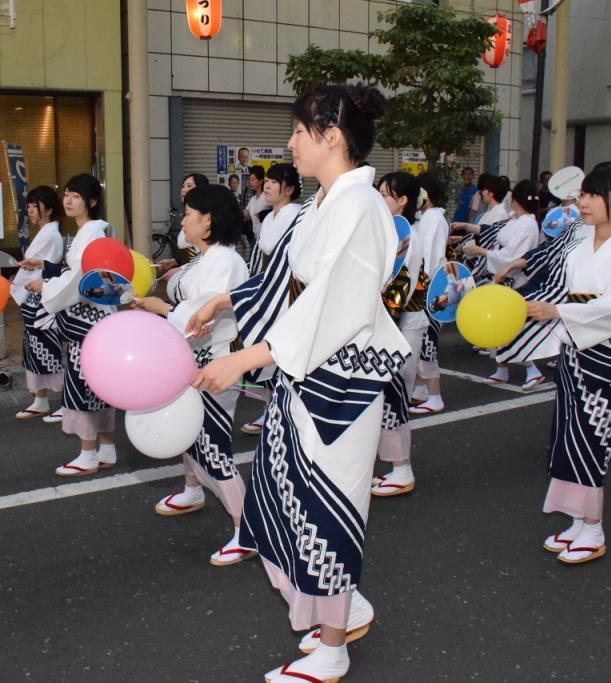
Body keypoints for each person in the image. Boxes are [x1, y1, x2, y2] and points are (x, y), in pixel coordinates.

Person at [187, 83, 408, 683]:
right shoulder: (323, 204)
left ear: (330, 137)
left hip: (337, 384)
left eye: (297, 131)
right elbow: (286, 280)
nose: (288, 143)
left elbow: (332, 308)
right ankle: (336, 614)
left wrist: (244, 357)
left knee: (327, 513)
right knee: (283, 505)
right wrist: (225, 299)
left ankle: (333, 645)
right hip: (304, 376)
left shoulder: (358, 207)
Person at [523, 161, 611, 564]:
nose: (585, 201)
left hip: (609, 359)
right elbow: (564, 295)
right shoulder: (580, 248)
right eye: (584, 194)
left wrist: (560, 313)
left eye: (595, 195)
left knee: (593, 439)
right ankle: (578, 520)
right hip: (577, 352)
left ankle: (593, 527)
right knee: (567, 437)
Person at [133, 184, 253, 565]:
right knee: (191, 433)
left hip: (216, 361)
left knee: (212, 444)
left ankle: (247, 528)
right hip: (195, 358)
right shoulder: (206, 257)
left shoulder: (224, 261)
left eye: (188, 213)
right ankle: (193, 490)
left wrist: (162, 309)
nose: (182, 219)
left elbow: (203, 318)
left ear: (208, 219)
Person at [37, 174, 118, 476]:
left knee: (82, 383)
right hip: (100, 316)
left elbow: (79, 279)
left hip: (88, 319)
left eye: (76, 196)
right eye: (66, 194)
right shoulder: (97, 231)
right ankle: (106, 447)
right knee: (101, 386)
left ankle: (87, 453)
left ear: (92, 201)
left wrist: (46, 286)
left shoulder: (92, 234)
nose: (68, 200)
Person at [240, 164, 304, 436]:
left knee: (281, 356)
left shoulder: (296, 215)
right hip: (268, 288)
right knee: (268, 355)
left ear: (288, 189)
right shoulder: (270, 217)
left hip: (287, 292)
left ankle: (282, 413)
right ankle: (271, 411)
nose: (266, 185)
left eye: (273, 181)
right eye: (265, 180)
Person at [372, 171, 423, 497]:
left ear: (403, 200)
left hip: (400, 325)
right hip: (391, 322)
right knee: (385, 397)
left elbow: (398, 289)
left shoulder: (408, 236)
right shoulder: (391, 231)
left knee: (393, 397)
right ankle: (395, 465)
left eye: (386, 195)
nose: (379, 199)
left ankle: (402, 467)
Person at [466, 180, 544, 389]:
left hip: (514, 279)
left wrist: (482, 252)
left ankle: (532, 369)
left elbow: (512, 255)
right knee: (499, 325)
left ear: (516, 200)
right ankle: (501, 367)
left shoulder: (527, 223)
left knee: (512, 326)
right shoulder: (519, 220)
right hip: (503, 277)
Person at [12, 185, 66, 423]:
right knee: (34, 348)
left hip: (43, 298)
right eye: (30, 206)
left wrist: (17, 283)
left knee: (48, 349)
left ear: (50, 209)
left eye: (36, 206)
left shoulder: (51, 235)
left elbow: (44, 267)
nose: (31, 211)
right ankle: (40, 399)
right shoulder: (46, 233)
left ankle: (64, 400)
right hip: (35, 297)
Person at [409, 175, 450, 415]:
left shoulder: (433, 219)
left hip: (429, 289)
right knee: (423, 342)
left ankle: (435, 396)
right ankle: (423, 390)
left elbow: (430, 257)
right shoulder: (427, 218)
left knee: (427, 343)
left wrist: (422, 284)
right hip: (426, 287)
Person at [241, 165, 271, 249]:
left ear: (261, 181)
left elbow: (277, 211)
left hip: (267, 239)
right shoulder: (252, 200)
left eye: (253, 179)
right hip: (256, 238)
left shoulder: (267, 196)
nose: (250, 182)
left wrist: (264, 214)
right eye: (250, 179)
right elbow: (244, 213)